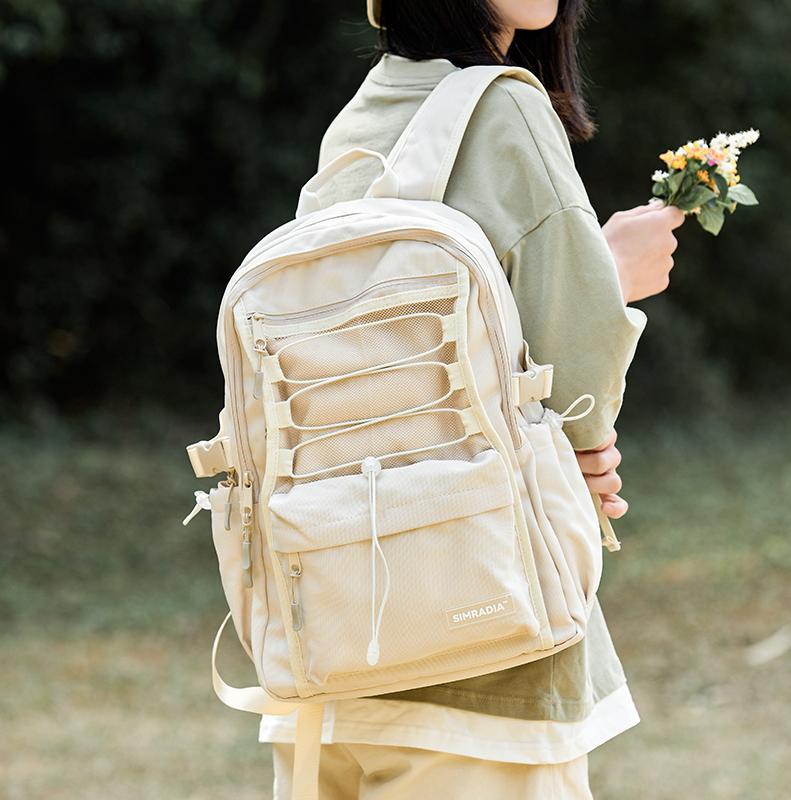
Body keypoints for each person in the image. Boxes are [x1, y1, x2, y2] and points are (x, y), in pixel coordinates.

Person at [259, 1, 684, 797]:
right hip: (485, 646)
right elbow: (578, 388)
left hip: (332, 645)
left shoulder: (367, 110)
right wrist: (612, 278)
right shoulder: (505, 105)